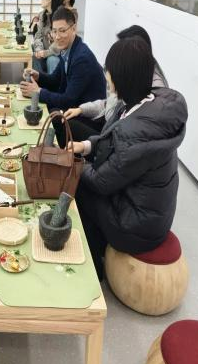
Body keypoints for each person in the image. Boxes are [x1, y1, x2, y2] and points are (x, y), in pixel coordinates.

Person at [72, 37, 188, 280]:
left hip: (137, 227)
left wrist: (74, 164)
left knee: (79, 187)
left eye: (109, 71)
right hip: (149, 211)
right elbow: (109, 140)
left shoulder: (136, 131)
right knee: (82, 172)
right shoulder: (148, 103)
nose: (106, 75)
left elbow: (101, 181)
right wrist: (84, 146)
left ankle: (94, 268)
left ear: (121, 77)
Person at [56, 24, 168, 147]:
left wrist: (87, 146)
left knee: (65, 123)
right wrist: (81, 110)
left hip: (111, 133)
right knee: (59, 116)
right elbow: (108, 104)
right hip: (108, 125)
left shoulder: (150, 90)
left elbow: (122, 142)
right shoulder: (130, 75)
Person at [20, 6, 106, 112]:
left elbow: (68, 101)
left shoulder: (82, 59)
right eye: (54, 31)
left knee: (42, 112)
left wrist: (38, 92)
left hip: (86, 115)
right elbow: (55, 80)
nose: (57, 37)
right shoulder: (67, 49)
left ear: (74, 29)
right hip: (73, 107)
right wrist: (38, 76)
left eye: (62, 31)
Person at [31, 0, 63, 73]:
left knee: (51, 60)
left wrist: (46, 53)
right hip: (44, 50)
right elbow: (38, 36)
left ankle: (50, 81)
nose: (41, 0)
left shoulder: (60, 16)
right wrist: (39, 50)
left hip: (56, 53)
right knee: (32, 51)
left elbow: (60, 42)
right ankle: (40, 78)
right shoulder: (42, 15)